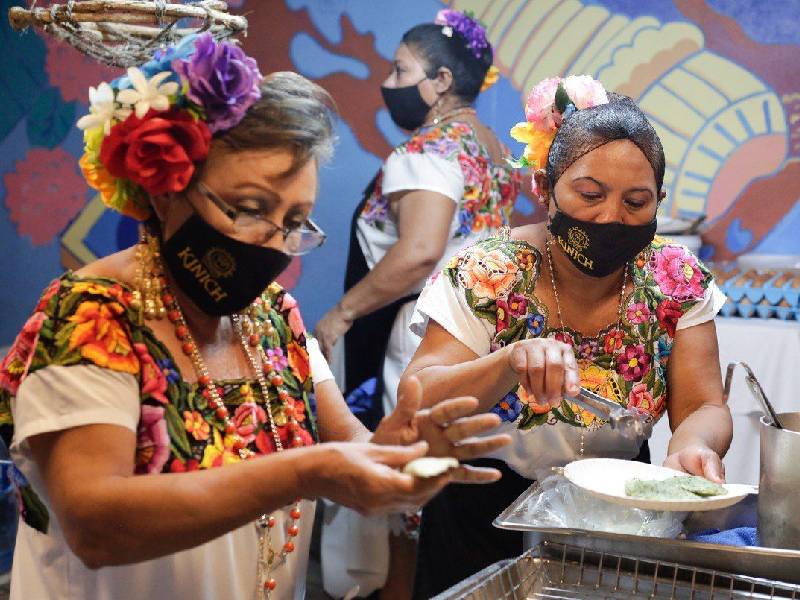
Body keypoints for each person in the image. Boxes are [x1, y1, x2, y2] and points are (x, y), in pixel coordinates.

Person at [0, 34, 510, 600]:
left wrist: (404, 455)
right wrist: (305, 472)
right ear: (168, 187)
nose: (271, 241)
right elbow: (94, 523)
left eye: (295, 221)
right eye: (249, 209)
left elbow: (356, 449)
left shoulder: (273, 318)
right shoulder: (93, 316)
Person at [402, 75, 734, 596]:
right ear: (543, 188)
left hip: (620, 513)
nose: (611, 217)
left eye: (636, 202)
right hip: (481, 514)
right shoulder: (489, 271)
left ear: (659, 201)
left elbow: (703, 407)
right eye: (590, 194)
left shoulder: (675, 278)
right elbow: (417, 398)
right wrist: (507, 361)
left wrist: (693, 448)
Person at [313, 9, 519, 597]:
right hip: (480, 329)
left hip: (424, 329)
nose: (391, 81)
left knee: (411, 479)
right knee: (457, 475)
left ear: (441, 83)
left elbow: (420, 251)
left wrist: (342, 312)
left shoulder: (427, 149)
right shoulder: (487, 146)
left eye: (402, 69)